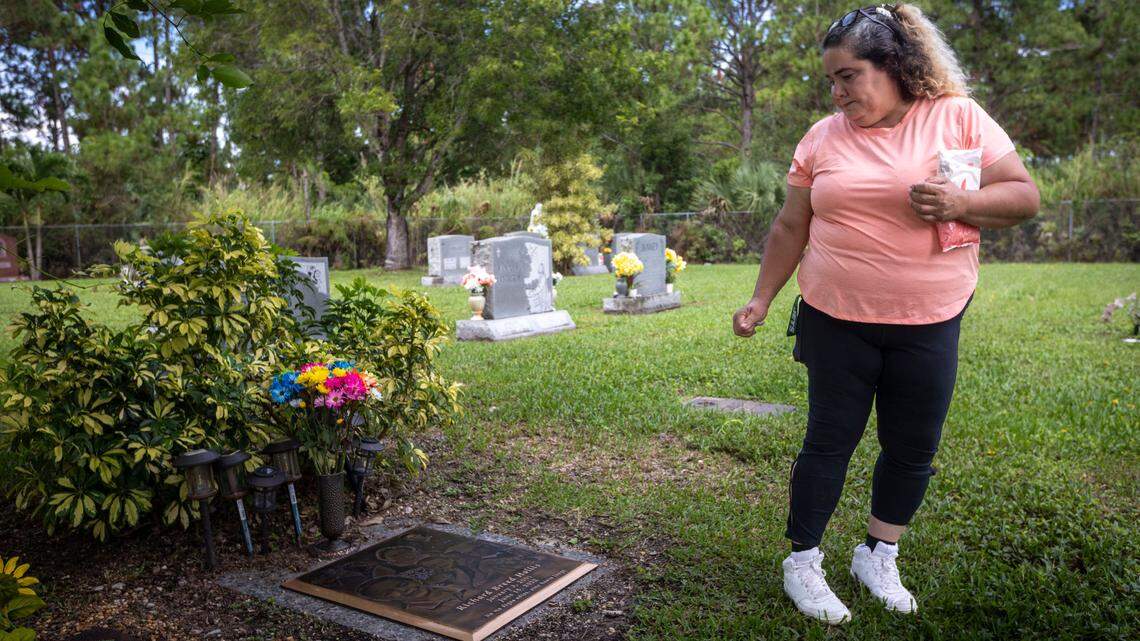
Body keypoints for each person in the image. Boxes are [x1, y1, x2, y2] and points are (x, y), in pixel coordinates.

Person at [731, 3, 1039, 624]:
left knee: (912, 446)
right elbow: (793, 223)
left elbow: (1025, 196)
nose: (838, 92)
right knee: (828, 441)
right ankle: (804, 559)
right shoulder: (821, 136)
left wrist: (960, 200)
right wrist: (762, 297)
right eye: (832, 81)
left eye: (849, 76)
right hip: (835, 317)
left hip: (930, 317)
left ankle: (878, 551)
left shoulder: (956, 117)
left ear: (893, 65)